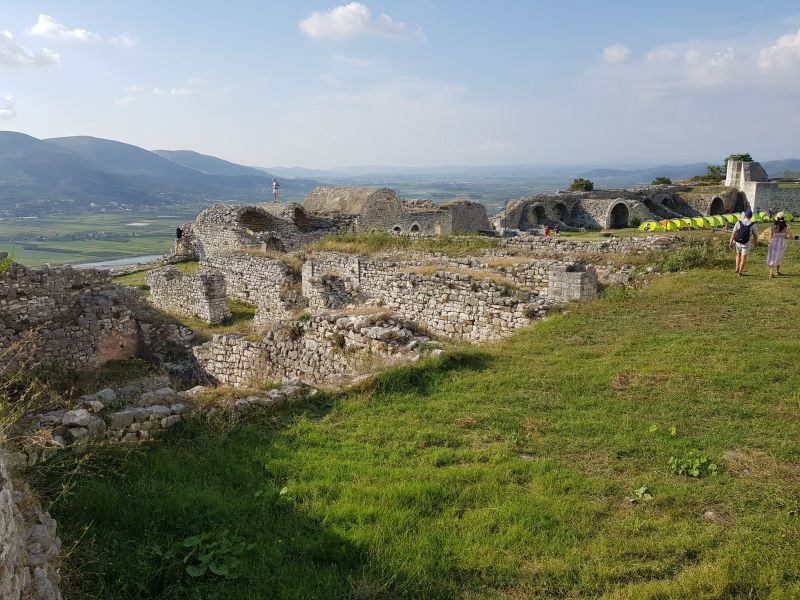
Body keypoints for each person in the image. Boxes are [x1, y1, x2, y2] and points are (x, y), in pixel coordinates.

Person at [729, 209, 758, 276]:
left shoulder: (738, 222)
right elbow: (755, 235)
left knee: (738, 254)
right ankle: (740, 272)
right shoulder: (753, 225)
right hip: (746, 243)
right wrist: (755, 243)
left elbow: (733, 233)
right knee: (743, 257)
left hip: (738, 242)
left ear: (745, 215)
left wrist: (731, 242)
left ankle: (737, 268)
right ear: (751, 216)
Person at [766, 212, 791, 277]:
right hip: (782, 242)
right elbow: (787, 236)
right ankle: (777, 271)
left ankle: (771, 273)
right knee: (780, 256)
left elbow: (771, 235)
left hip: (774, 242)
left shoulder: (773, 226)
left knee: (772, 256)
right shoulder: (787, 226)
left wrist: (769, 242)